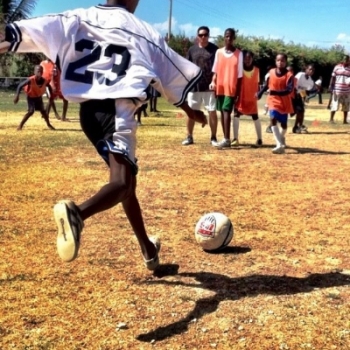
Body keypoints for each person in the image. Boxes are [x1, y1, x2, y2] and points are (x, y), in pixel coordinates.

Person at [0, 0, 207, 269]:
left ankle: (148, 250)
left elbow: (11, 34)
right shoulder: (144, 31)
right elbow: (173, 81)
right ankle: (77, 214)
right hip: (117, 109)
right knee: (121, 183)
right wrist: (194, 113)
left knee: (126, 184)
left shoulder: (74, 18)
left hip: (88, 115)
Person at [181, 26, 218, 146]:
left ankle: (213, 138)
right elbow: (187, 66)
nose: (203, 37)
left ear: (208, 35)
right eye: (201, 35)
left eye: (205, 34)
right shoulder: (192, 50)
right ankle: (189, 136)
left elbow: (216, 69)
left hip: (209, 87)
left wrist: (214, 81)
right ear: (197, 36)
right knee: (191, 112)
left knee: (212, 111)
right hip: (194, 87)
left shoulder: (214, 50)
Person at [210, 28, 243, 148]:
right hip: (220, 86)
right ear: (224, 37)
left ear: (234, 38)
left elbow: (239, 76)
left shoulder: (239, 54)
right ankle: (225, 138)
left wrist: (238, 93)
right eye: (227, 36)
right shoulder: (218, 52)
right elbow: (215, 71)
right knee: (222, 112)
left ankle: (227, 139)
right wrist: (213, 83)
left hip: (231, 87)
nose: (229, 38)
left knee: (226, 110)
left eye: (231, 36)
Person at [258, 53, 294, 154]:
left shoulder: (289, 75)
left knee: (284, 125)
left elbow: (289, 90)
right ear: (275, 61)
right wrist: (259, 93)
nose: (280, 62)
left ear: (286, 62)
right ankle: (279, 145)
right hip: (273, 100)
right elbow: (266, 85)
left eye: (282, 61)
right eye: (278, 60)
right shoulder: (271, 72)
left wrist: (276, 92)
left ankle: (282, 137)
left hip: (284, 102)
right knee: (273, 118)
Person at [232, 50, 262, 146]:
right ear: (242, 59)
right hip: (241, 97)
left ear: (252, 59)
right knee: (236, 115)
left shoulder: (257, 70)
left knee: (255, 117)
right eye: (245, 58)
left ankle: (259, 139)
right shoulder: (239, 70)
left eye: (249, 58)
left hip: (251, 98)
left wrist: (259, 93)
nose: (247, 60)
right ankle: (235, 138)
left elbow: (258, 85)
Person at [14, 65, 55, 131]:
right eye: (38, 71)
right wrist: (17, 95)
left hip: (38, 97)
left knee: (44, 112)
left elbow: (49, 86)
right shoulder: (30, 80)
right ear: (34, 72)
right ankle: (20, 126)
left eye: (41, 71)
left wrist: (51, 95)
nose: (40, 73)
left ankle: (48, 124)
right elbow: (20, 85)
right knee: (31, 111)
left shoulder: (43, 80)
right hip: (31, 97)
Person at [292, 64, 315, 133]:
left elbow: (305, 91)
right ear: (306, 69)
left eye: (313, 70)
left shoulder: (311, 82)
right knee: (284, 112)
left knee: (301, 111)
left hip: (299, 96)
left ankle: (298, 126)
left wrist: (304, 98)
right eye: (310, 69)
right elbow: (293, 84)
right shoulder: (300, 75)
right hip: (292, 95)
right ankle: (271, 125)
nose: (311, 71)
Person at [329, 55, 350, 124]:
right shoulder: (337, 67)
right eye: (344, 59)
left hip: (347, 90)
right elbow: (333, 77)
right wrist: (330, 85)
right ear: (342, 60)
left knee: (346, 106)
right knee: (335, 104)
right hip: (337, 89)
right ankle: (331, 119)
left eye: (347, 59)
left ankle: (345, 120)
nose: (346, 60)